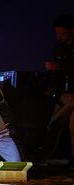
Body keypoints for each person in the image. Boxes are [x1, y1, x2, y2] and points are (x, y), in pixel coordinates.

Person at [43, 13, 74, 165]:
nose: (59, 36)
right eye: (57, 33)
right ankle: (49, 156)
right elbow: (56, 73)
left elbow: (62, 68)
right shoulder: (60, 48)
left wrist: (59, 67)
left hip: (71, 95)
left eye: (62, 33)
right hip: (63, 94)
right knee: (55, 124)